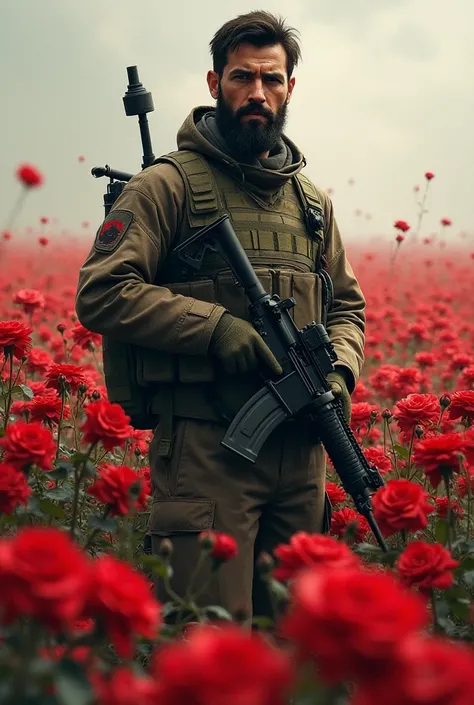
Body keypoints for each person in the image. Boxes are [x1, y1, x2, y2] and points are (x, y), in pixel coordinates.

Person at [75, 10, 366, 621]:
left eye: (272, 79)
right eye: (241, 78)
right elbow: (103, 290)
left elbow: (346, 306)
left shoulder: (311, 204)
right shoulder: (169, 186)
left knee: (300, 650)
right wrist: (216, 328)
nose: (257, 93)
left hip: (301, 457)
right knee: (210, 645)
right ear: (214, 84)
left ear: (291, 88)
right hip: (209, 454)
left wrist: (339, 372)